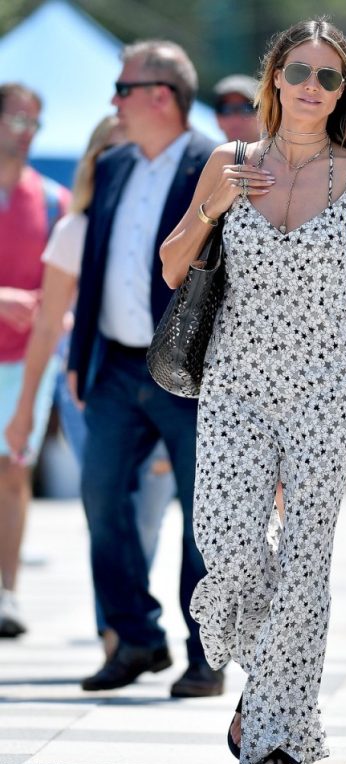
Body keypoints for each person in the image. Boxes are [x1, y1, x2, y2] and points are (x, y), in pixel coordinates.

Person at [160, 18, 346, 764]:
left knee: (307, 561)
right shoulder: (228, 161)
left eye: (329, 77)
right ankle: (272, 685)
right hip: (235, 385)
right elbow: (173, 265)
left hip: (325, 388)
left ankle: (278, 730)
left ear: (343, 93)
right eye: (300, 72)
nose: (313, 87)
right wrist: (215, 205)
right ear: (275, 79)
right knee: (228, 542)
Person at [67, 41, 223, 698]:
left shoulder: (217, 163)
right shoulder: (114, 165)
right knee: (101, 498)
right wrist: (80, 358)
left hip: (190, 372)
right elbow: (93, 267)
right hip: (113, 366)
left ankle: (205, 653)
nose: (113, 100)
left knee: (203, 516)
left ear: (161, 95)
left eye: (123, 88)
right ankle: (135, 637)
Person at [4, 115, 177, 660]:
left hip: (166, 382)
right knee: (106, 502)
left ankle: (137, 626)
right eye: (112, 155)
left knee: (149, 510)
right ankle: (118, 632)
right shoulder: (75, 225)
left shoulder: (172, 219)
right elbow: (48, 324)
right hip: (90, 383)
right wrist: (27, 405)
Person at [0, 82, 69, 638]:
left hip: (29, 360)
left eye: (34, 123)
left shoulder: (53, 201)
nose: (27, 133)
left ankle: (8, 592)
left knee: (14, 471)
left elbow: (67, 286)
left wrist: (58, 314)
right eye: (17, 120)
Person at [212, 74, 261, 144]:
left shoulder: (276, 150)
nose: (235, 119)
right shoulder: (207, 150)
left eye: (246, 109)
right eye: (226, 109)